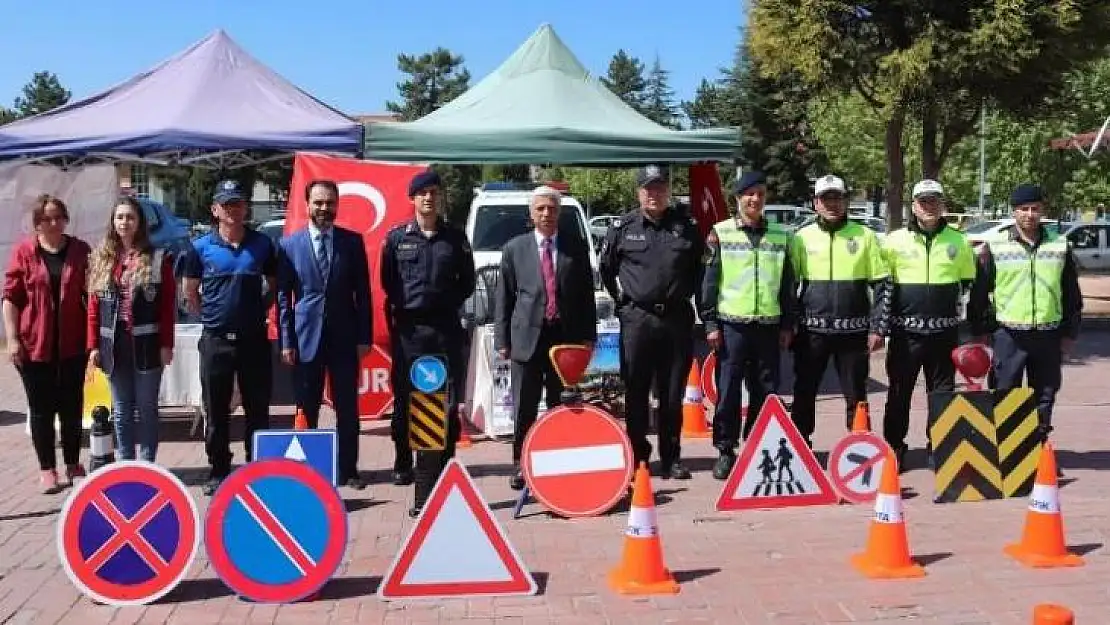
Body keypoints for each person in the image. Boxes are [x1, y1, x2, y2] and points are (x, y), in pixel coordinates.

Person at [599, 164, 704, 479]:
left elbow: (700, 269)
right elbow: (607, 269)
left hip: (675, 319)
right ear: (639, 192)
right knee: (636, 391)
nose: (654, 194)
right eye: (648, 188)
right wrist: (622, 302)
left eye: (659, 188)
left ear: (667, 191)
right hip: (638, 320)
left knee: (672, 395)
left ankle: (671, 458)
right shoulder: (623, 227)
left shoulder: (685, 227)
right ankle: (638, 455)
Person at [380, 169, 475, 517]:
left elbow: (466, 282)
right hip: (411, 334)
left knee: (446, 405)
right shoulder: (396, 240)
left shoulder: (455, 239)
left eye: (435, 192)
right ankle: (408, 466)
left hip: (445, 331)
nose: (429, 198)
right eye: (422, 193)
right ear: (413, 199)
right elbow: (389, 282)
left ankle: (445, 470)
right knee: (410, 404)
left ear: (440, 198)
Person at [495, 185, 597, 491]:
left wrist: (587, 337)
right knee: (524, 407)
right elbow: (504, 297)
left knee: (560, 404)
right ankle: (521, 464)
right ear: (531, 213)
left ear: (559, 212)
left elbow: (586, 297)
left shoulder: (575, 247)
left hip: (564, 340)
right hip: (526, 339)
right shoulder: (515, 249)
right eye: (540, 208)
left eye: (552, 208)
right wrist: (503, 340)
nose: (546, 214)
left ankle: (557, 461)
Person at [967, 183, 1082, 450]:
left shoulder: (1060, 245)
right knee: (1006, 393)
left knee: (1045, 394)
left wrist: (1069, 333)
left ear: (1042, 211)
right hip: (1009, 335)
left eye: (1035, 209)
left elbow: (1071, 295)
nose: (1029, 214)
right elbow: (980, 294)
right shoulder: (994, 247)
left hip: (1048, 334)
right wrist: (981, 331)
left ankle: (1037, 448)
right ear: (1014, 212)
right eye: (1023, 209)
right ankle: (1008, 451)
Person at [182, 180, 278, 495]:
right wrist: (213, 319)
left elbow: (273, 286)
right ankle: (219, 468)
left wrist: (253, 312)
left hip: (253, 341)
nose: (233, 210)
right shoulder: (199, 248)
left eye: (237, 203)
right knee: (216, 408)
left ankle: (257, 468)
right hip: (216, 341)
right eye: (226, 205)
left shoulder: (263, 244)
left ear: (246, 207)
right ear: (215, 210)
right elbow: (190, 292)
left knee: (257, 408)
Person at [699, 171, 796, 480]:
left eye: (761, 194)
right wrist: (710, 322)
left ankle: (756, 445)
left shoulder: (781, 235)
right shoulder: (720, 233)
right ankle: (725, 450)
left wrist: (787, 324)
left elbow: (787, 285)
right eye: (749, 194)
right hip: (732, 327)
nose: (755, 199)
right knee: (727, 391)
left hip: (768, 326)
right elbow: (709, 284)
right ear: (737, 199)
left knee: (766, 391)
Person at [277, 179, 372, 490]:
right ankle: (311, 470)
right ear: (307, 205)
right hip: (306, 340)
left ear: (337, 204)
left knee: (347, 407)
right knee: (308, 406)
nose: (324, 208)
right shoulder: (289, 246)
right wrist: (287, 341)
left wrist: (364, 337)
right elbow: (283, 299)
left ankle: (349, 470)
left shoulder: (352, 242)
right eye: (318, 203)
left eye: (329, 202)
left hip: (344, 338)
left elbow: (364, 294)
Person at [789, 175, 890, 448]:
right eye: (826, 198)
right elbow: (789, 286)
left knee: (856, 394)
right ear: (815, 203)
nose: (832, 203)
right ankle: (801, 446)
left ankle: (861, 448)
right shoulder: (800, 237)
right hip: (812, 332)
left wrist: (878, 328)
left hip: (854, 333)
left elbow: (882, 284)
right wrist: (790, 325)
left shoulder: (865, 236)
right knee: (804, 391)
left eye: (837, 197)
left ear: (845, 201)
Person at [880, 180, 975, 470]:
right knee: (899, 393)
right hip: (904, 334)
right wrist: (880, 328)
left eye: (934, 201)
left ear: (942, 204)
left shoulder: (958, 241)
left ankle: (941, 446)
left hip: (943, 333)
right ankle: (894, 447)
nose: (929, 206)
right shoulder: (894, 241)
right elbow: (883, 287)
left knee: (942, 395)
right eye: (923, 201)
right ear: (914, 206)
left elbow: (967, 284)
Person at [3, 195, 92, 493]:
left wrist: (94, 341)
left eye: (58, 217)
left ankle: (73, 463)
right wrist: (12, 338)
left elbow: (92, 298)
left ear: (66, 219)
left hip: (73, 344)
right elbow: (11, 299)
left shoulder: (80, 250)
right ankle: (47, 469)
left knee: (71, 406)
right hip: (34, 345)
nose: (53, 223)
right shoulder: (24, 252)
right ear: (37, 223)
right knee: (40, 409)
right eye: (47, 219)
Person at [87, 196, 177, 463]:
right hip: (113, 346)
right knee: (122, 409)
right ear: (113, 222)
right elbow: (93, 307)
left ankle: (147, 462)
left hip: (147, 344)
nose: (124, 223)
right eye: (120, 217)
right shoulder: (102, 258)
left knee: (147, 408)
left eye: (130, 217)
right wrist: (92, 346)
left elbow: (167, 308)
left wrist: (166, 345)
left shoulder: (158, 258)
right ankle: (126, 462)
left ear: (139, 223)